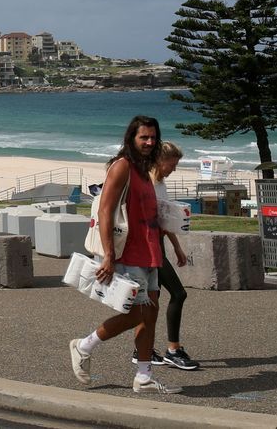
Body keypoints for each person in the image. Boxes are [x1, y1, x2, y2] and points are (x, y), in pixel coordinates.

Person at [68, 116, 182, 394]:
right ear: (132, 138)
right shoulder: (122, 167)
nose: (149, 142)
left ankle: (143, 376)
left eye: (153, 137)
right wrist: (108, 255)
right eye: (144, 137)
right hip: (127, 253)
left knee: (150, 315)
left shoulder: (145, 170)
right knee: (136, 313)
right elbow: (105, 210)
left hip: (150, 252)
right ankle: (83, 346)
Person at [137, 141, 200, 370]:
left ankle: (142, 349)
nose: (173, 170)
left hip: (160, 244)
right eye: (172, 165)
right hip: (148, 247)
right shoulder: (146, 184)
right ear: (159, 161)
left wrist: (177, 246)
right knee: (178, 293)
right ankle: (173, 349)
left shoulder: (161, 184)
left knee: (153, 298)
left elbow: (165, 218)